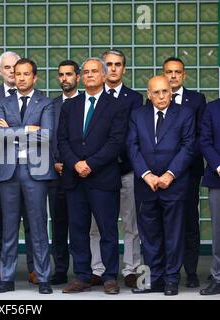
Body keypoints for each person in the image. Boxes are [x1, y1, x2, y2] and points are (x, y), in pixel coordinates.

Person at [58, 58, 128, 294]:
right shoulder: (70, 105)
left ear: (104, 75)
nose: (89, 75)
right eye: (85, 72)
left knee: (108, 230)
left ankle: (109, 277)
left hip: (103, 177)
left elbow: (115, 142)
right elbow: (62, 140)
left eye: (94, 71)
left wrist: (90, 164)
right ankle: (81, 276)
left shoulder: (115, 105)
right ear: (81, 76)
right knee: (77, 230)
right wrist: (76, 163)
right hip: (75, 178)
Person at [0, 58, 56, 295]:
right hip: (9, 171)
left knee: (38, 227)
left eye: (26, 74)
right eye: (17, 73)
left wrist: (12, 130)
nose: (20, 78)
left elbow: (46, 136)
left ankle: (43, 277)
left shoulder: (46, 103)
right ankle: (6, 278)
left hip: (36, 172)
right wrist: (29, 129)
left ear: (34, 77)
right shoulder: (4, 102)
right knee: (9, 227)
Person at [128, 76, 195, 296]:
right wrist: (146, 174)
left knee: (174, 235)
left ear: (171, 92)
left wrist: (169, 174)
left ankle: (171, 280)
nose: (161, 96)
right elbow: (132, 145)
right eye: (156, 92)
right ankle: (151, 280)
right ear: (149, 94)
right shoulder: (138, 114)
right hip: (146, 185)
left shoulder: (184, 113)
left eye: (165, 91)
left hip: (174, 185)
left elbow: (188, 147)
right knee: (149, 235)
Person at [89, 50, 143, 288]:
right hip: (98, 172)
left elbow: (132, 135)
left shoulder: (134, 98)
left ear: (124, 69)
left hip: (126, 169)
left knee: (131, 223)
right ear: (102, 69)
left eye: (117, 64)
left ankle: (131, 269)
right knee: (97, 224)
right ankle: (97, 269)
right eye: (108, 64)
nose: (112, 68)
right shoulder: (92, 98)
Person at [0, 51, 37, 285]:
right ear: (0, 71)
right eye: (7, 68)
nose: (13, 72)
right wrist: (23, 130)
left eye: (16, 67)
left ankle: (35, 269)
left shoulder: (38, 97)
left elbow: (41, 135)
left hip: (31, 166)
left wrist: (9, 129)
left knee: (32, 220)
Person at [162, 57, 206, 288]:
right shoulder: (154, 97)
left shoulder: (197, 100)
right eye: (169, 71)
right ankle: (164, 271)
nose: (173, 76)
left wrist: (178, 164)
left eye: (177, 72)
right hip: (159, 173)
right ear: (163, 74)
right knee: (162, 223)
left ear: (184, 75)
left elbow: (199, 136)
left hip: (188, 172)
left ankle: (190, 271)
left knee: (189, 222)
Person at [48, 59, 81, 285]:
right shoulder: (50, 105)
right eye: (61, 75)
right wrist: (52, 162)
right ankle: (60, 269)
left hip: (79, 173)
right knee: (58, 224)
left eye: (69, 74)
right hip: (55, 172)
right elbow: (45, 138)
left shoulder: (86, 103)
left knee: (80, 224)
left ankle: (82, 270)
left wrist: (72, 163)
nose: (64, 78)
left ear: (77, 77)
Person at [199, 97, 220, 295]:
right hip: (218, 178)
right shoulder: (212, 108)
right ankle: (218, 277)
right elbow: (204, 141)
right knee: (219, 232)